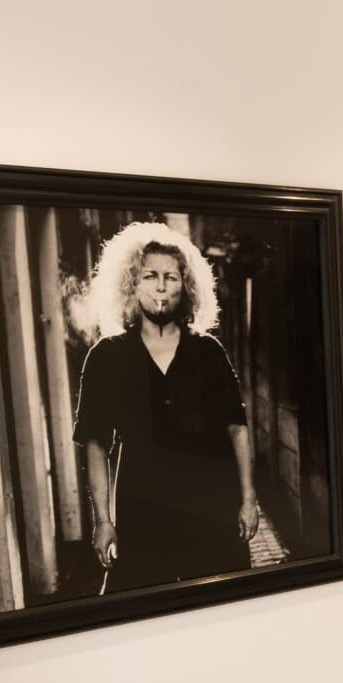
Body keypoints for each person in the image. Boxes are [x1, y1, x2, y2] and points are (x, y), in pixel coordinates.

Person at [73, 223, 263, 590]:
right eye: (150, 276)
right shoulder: (106, 357)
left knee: (221, 602)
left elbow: (237, 427)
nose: (161, 286)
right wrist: (103, 521)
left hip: (211, 509)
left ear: (186, 287)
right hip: (144, 513)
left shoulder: (208, 351)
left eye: (171, 277)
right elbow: (95, 443)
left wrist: (248, 499)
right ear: (131, 283)